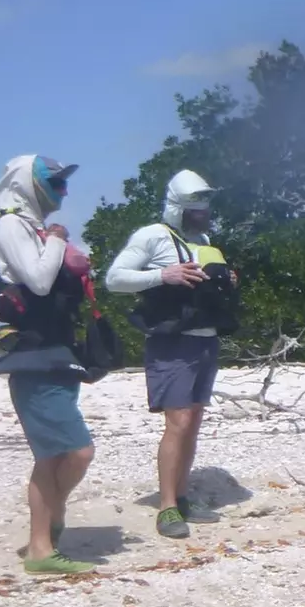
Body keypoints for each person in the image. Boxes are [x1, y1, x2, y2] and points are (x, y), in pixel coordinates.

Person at [106, 170, 238, 538]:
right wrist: (163, 275)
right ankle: (165, 508)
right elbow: (114, 279)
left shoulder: (206, 240)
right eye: (197, 208)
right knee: (177, 422)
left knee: (193, 422)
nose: (204, 213)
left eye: (205, 207)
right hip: (172, 342)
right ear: (180, 208)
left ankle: (181, 497)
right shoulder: (152, 236)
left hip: (206, 339)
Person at [0, 154, 96, 576]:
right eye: (55, 182)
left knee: (53, 457)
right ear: (27, 184)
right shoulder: (13, 226)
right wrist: (57, 239)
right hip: (33, 359)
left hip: (54, 354)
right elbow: (40, 280)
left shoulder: (31, 228)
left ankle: (42, 538)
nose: (62, 191)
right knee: (75, 452)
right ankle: (43, 540)